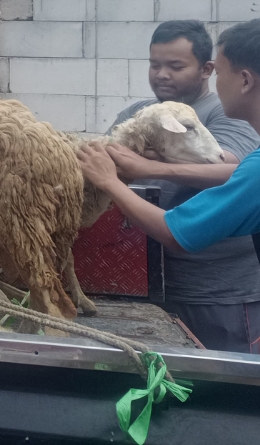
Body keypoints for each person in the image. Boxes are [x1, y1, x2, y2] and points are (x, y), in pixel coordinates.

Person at [78, 20, 260, 354]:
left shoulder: (227, 117)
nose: (162, 74)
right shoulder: (137, 113)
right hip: (149, 283)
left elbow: (232, 170)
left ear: (209, 71)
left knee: (225, 387)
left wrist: (144, 167)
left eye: (175, 66)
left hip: (216, 291)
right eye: (155, 64)